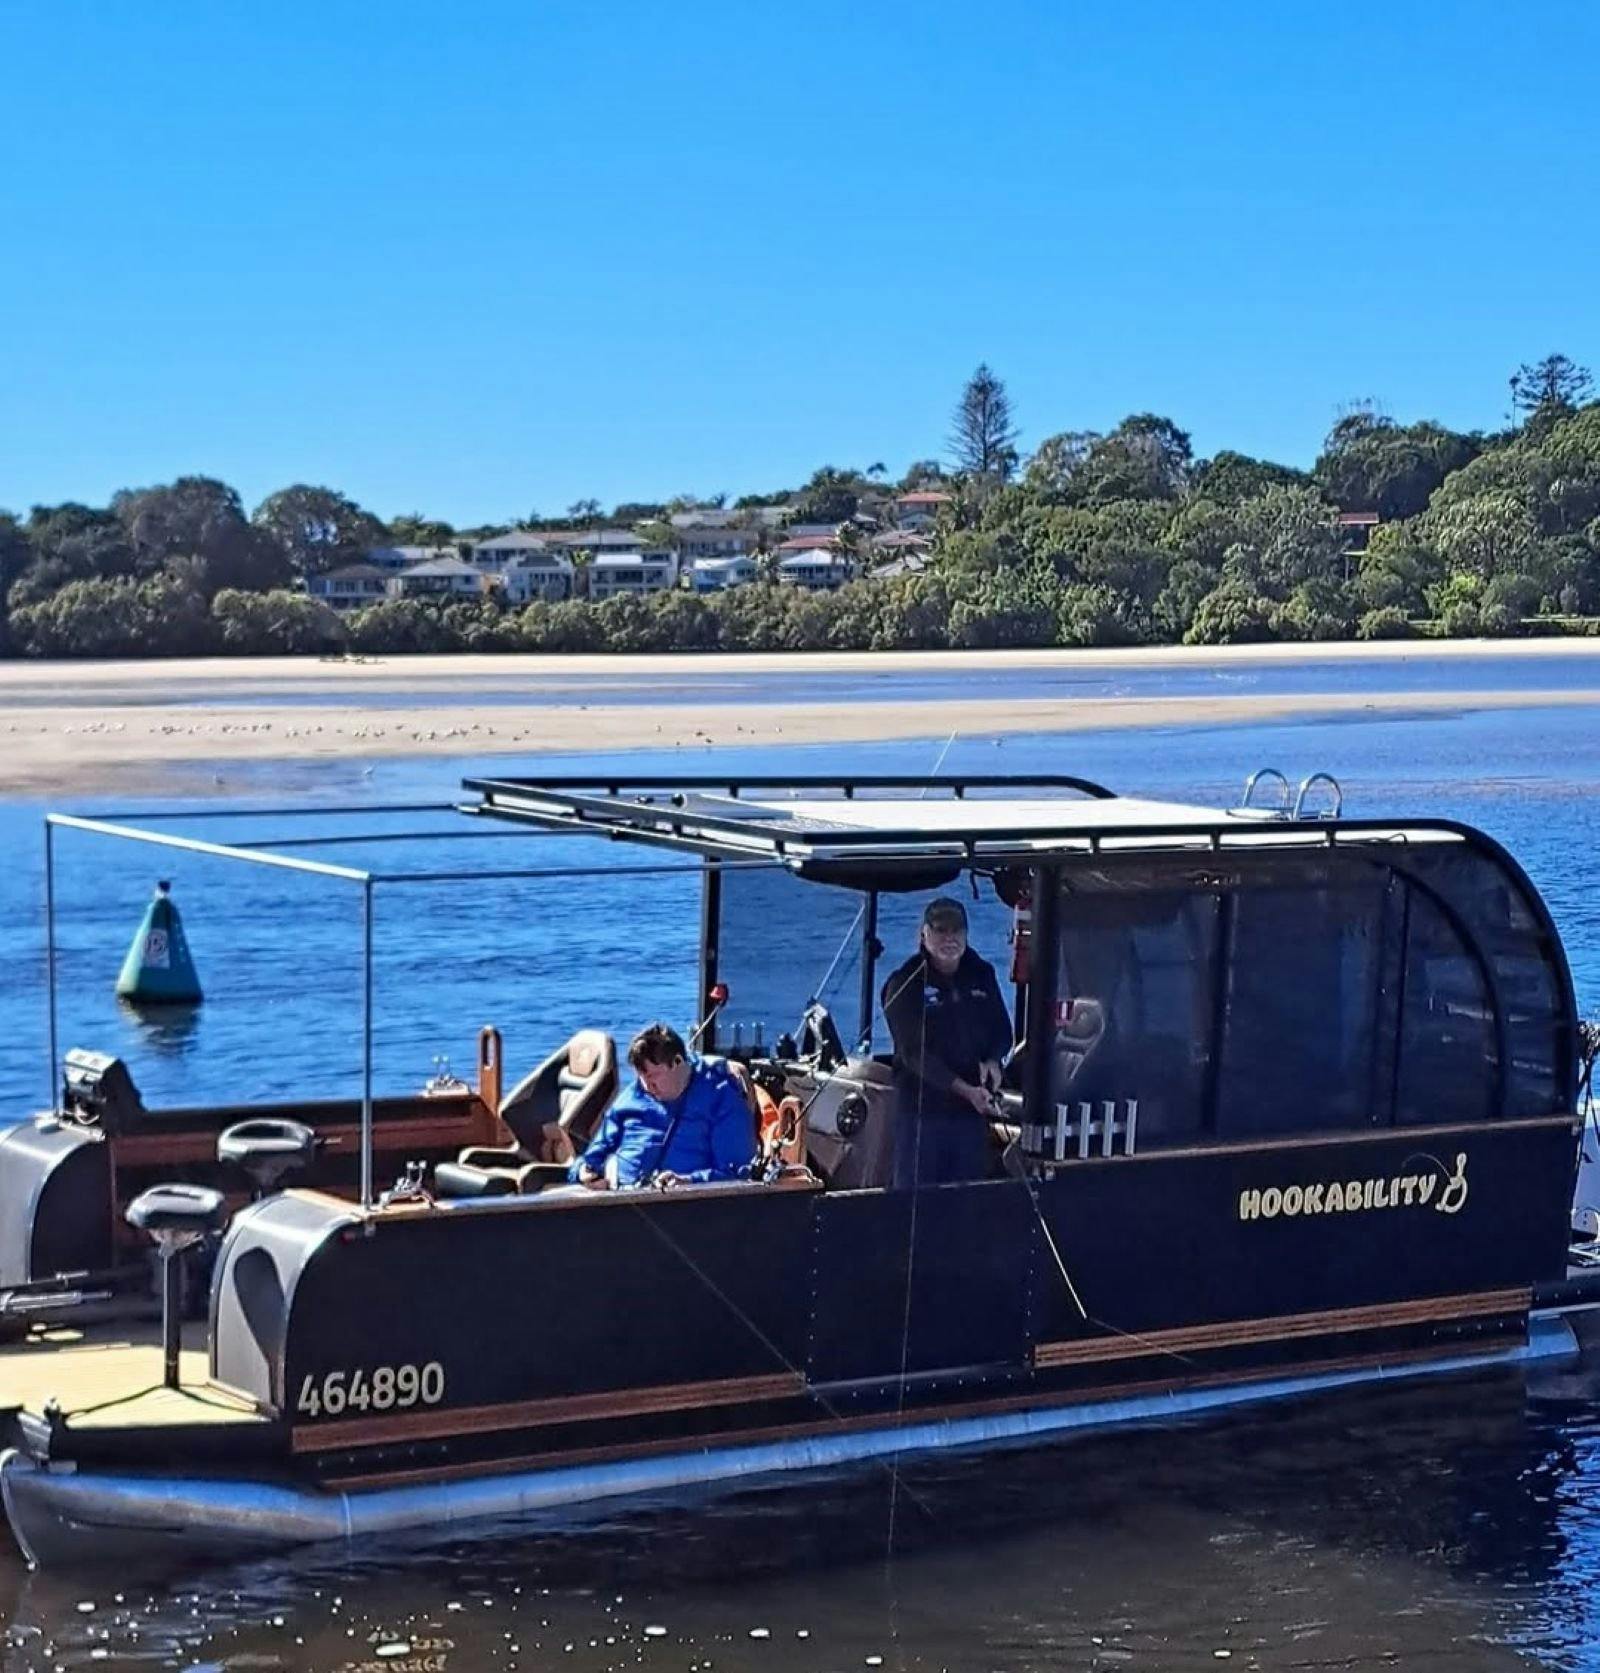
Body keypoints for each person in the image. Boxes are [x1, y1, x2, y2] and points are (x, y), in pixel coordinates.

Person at [880, 896, 1013, 1188]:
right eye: (940, 930)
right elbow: (913, 1053)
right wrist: (964, 1090)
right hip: (922, 1115)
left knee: (965, 1199)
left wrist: (993, 1060)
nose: (949, 938)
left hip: (969, 1116)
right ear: (924, 934)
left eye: (956, 931)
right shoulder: (904, 982)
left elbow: (1003, 1031)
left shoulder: (982, 973)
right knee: (918, 1198)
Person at [568, 1022, 755, 1190]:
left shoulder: (720, 1095)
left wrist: (690, 1182)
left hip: (682, 1207)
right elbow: (592, 1156)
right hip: (616, 1199)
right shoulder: (634, 1096)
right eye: (642, 1078)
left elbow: (740, 1173)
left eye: (653, 1076)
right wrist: (583, 1172)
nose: (648, 1087)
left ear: (678, 1062)